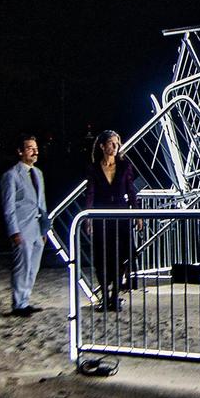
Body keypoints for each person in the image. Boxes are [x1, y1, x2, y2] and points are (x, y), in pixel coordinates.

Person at [85, 130, 140, 311]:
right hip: (101, 217)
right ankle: (105, 297)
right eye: (111, 143)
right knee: (102, 257)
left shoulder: (125, 166)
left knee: (121, 257)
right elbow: (90, 193)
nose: (115, 146)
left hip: (121, 216)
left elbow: (131, 191)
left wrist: (137, 214)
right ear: (102, 146)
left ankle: (115, 295)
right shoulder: (93, 168)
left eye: (117, 143)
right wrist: (88, 217)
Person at [0, 135, 50, 317]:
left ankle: (25, 301)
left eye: (35, 148)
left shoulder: (38, 173)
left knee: (33, 267)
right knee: (22, 267)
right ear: (20, 151)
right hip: (22, 228)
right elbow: (8, 206)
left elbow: (41, 202)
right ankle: (18, 304)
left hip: (37, 228)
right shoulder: (11, 176)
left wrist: (44, 228)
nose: (35, 151)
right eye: (30, 148)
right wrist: (14, 230)